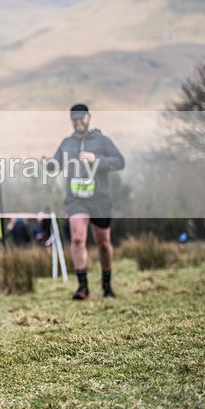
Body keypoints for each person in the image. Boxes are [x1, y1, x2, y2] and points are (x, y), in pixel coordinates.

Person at [47, 103, 124, 300]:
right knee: (78, 238)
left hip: (99, 198)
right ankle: (83, 288)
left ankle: (107, 285)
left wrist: (95, 159)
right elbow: (55, 166)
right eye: (74, 119)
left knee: (103, 243)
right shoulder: (66, 143)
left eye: (81, 118)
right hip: (75, 199)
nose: (78, 122)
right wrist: (48, 164)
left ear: (88, 117)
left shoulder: (102, 140)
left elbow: (119, 162)